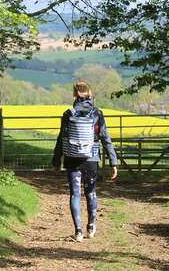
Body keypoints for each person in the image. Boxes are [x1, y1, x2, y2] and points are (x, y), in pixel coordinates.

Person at [52, 81, 118, 242]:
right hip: (91, 158)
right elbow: (105, 138)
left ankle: (78, 231)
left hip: (72, 159)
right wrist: (113, 162)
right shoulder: (97, 113)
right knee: (91, 192)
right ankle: (91, 226)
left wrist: (56, 159)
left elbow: (62, 138)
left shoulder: (68, 114)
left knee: (75, 194)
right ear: (90, 94)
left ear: (75, 95)